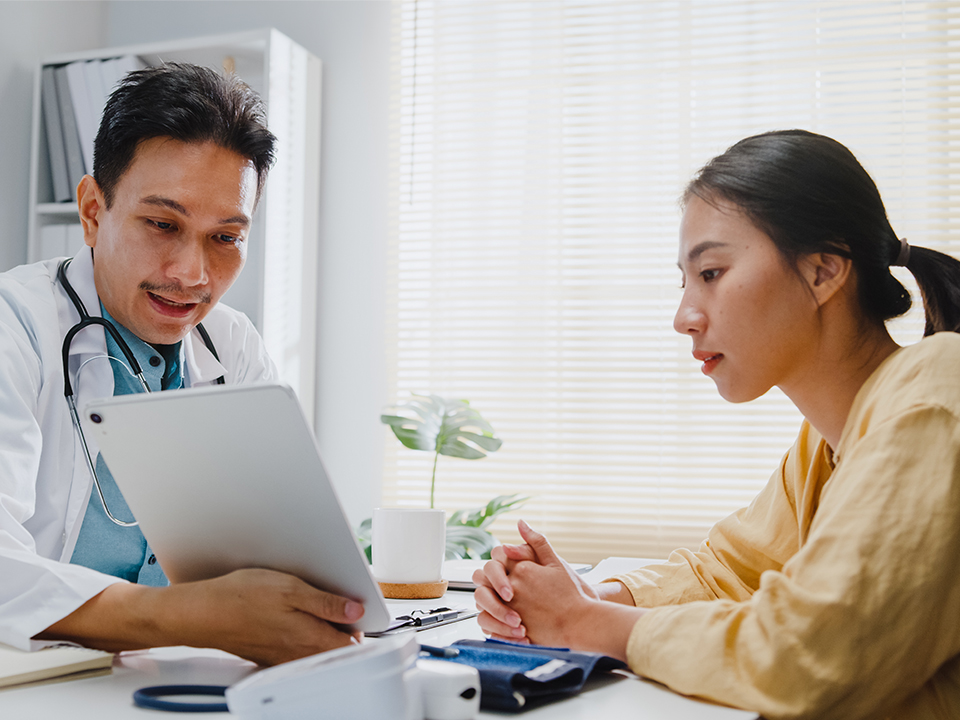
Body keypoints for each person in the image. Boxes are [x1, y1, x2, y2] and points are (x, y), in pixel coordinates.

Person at [474, 130, 960, 719]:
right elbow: (731, 570)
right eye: (685, 281)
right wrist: (593, 595)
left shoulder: (936, 391)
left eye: (711, 272)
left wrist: (585, 622)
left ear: (823, 271)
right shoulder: (825, 443)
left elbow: (808, 658)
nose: (684, 317)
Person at [0, 63, 363, 666]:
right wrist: (186, 619)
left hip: (176, 676)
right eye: (162, 224)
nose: (192, 276)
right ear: (93, 210)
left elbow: (280, 544)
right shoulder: (16, 326)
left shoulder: (231, 344)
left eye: (225, 237)